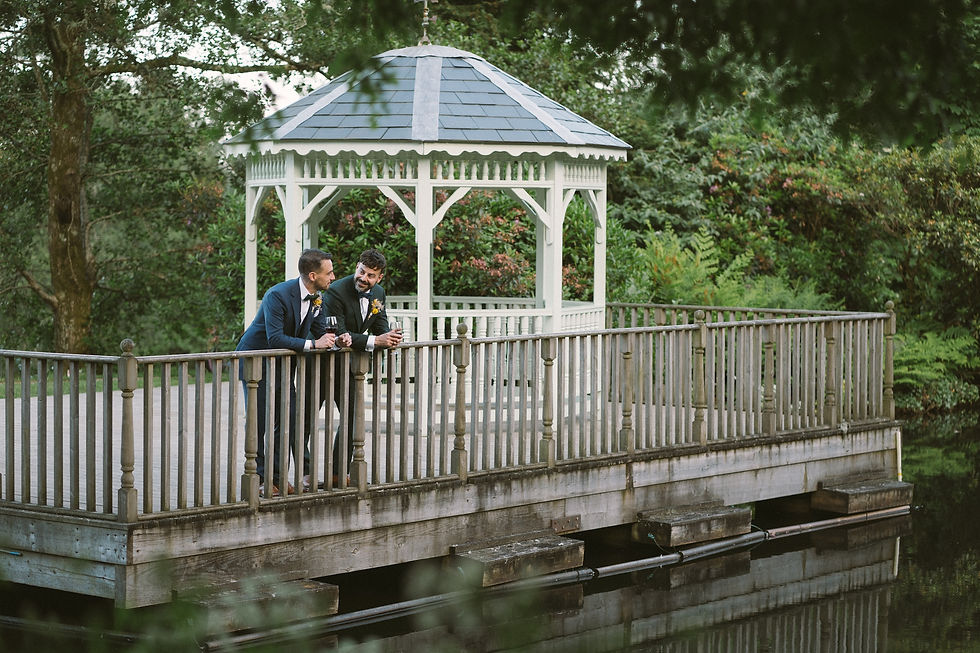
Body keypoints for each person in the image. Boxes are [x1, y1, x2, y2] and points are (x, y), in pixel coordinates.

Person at [236, 248, 338, 495]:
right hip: (256, 362)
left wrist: (337, 338)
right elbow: (274, 338)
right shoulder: (277, 295)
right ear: (313, 275)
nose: (333, 277)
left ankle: (279, 478)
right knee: (259, 422)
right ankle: (260, 481)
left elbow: (319, 329)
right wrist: (314, 345)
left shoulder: (317, 299)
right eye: (329, 272)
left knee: (289, 420)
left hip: (283, 365)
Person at [325, 248, 403, 482]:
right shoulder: (336, 290)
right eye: (361, 271)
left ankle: (339, 474)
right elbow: (338, 331)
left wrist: (390, 338)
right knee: (304, 420)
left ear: (379, 278)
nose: (363, 278)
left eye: (370, 275)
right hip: (320, 363)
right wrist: (375, 340)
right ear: (356, 266)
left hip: (350, 366)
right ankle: (304, 473)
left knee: (351, 417)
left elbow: (380, 327)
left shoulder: (379, 292)